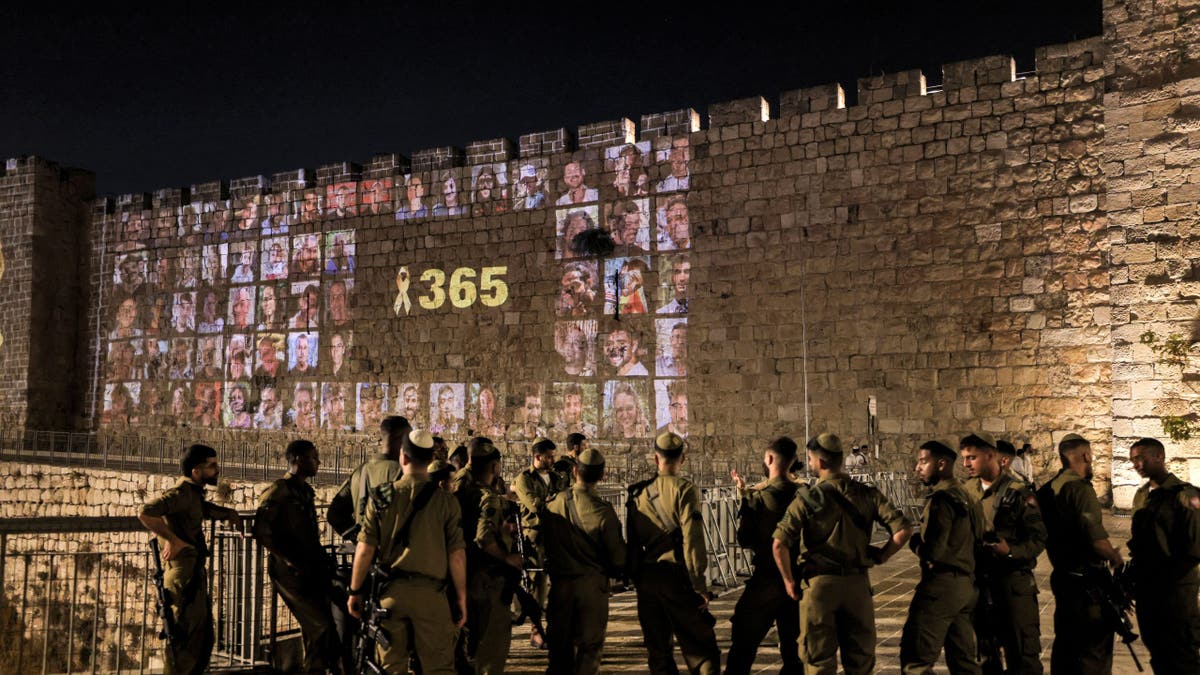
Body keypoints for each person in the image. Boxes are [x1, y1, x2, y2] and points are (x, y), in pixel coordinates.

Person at [772, 433, 912, 674]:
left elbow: (779, 544)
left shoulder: (808, 498)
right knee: (860, 661)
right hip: (857, 585)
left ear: (821, 462)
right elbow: (903, 530)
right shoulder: (867, 494)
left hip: (819, 587)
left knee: (818, 661)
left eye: (811, 460)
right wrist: (883, 555)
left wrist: (789, 582)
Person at [347, 429, 468, 673]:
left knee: (391, 667)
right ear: (431, 459)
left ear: (403, 457)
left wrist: (355, 591)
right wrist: (461, 597)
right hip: (433, 598)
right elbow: (456, 556)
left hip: (391, 597)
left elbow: (365, 549)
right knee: (439, 669)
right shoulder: (446, 501)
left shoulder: (382, 496)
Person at [138, 444, 241, 675]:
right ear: (196, 470)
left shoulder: (192, 494)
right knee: (183, 644)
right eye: (212, 466)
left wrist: (227, 514)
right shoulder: (181, 493)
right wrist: (171, 540)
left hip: (193, 574)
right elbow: (146, 511)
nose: (217, 470)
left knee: (203, 641)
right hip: (182, 576)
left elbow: (200, 509)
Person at [627, 432, 721, 674]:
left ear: (655, 459)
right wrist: (699, 584)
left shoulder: (638, 494)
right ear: (683, 459)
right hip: (677, 578)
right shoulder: (684, 490)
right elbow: (692, 540)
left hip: (648, 578)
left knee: (659, 653)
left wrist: (637, 578)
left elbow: (633, 543)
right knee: (702, 650)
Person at [1036, 433, 1124, 674]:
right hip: (1087, 584)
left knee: (1066, 646)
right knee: (1092, 651)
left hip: (1063, 575)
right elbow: (1096, 540)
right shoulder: (1079, 488)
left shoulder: (1048, 488)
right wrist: (1115, 557)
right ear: (1086, 455)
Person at [959, 432, 1046, 675]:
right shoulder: (965, 492)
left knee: (1022, 656)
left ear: (991, 456)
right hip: (979, 584)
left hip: (1013, 585)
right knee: (985, 657)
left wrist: (1011, 552)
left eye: (972, 458)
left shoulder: (1019, 493)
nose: (966, 464)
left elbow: (1038, 538)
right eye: (964, 458)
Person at [253, 440, 341, 672]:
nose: (318, 462)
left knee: (321, 627)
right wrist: (288, 560)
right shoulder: (278, 491)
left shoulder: (303, 491)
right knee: (319, 625)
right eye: (314, 457)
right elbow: (262, 532)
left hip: (310, 565)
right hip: (290, 571)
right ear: (298, 459)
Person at [900, 440, 984, 674]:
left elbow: (933, 551)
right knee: (964, 662)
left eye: (923, 461)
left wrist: (915, 542)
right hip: (965, 586)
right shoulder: (968, 496)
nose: (918, 467)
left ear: (941, 464)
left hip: (941, 587)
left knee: (915, 661)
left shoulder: (941, 500)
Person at [541, 447, 626, 674]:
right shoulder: (604, 513)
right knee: (589, 650)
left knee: (560, 652)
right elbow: (618, 558)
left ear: (575, 470)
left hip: (560, 588)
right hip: (591, 590)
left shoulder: (554, 504)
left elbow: (543, 541)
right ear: (602, 476)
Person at [725, 437, 802, 675]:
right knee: (795, 652)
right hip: (798, 579)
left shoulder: (758, 498)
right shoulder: (806, 494)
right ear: (793, 462)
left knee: (743, 645)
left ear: (769, 459)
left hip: (767, 579)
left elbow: (745, 538)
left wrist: (745, 498)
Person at [1127, 437, 1200, 672]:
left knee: (1182, 655)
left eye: (1140, 458)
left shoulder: (1185, 495)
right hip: (1149, 590)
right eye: (1132, 460)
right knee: (1157, 652)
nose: (1136, 464)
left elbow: (1195, 547)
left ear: (1160, 456)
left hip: (1176, 593)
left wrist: (1167, 577)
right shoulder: (1141, 495)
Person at [454, 436, 519, 673]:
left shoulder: (459, 484)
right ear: (494, 466)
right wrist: (506, 557)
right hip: (485, 576)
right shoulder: (486, 495)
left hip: (463, 571)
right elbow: (482, 537)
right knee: (491, 647)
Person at [326, 416, 410, 540]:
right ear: (402, 439)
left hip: (364, 551)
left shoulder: (360, 471)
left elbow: (334, 514)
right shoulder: (402, 472)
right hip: (394, 554)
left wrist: (356, 537)